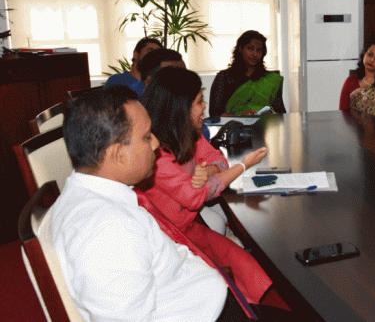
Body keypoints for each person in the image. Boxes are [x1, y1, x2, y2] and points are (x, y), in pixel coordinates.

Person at [51, 86, 290, 321]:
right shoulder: (108, 231)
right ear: (118, 155)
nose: (156, 144)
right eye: (146, 137)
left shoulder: (92, 196)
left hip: (205, 301)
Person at [139, 66, 279, 307]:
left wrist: (209, 172)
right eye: (198, 102)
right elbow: (195, 196)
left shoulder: (189, 134)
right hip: (170, 237)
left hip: (189, 226)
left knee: (244, 263)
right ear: (180, 108)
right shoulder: (155, 154)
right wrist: (243, 166)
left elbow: (219, 159)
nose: (204, 107)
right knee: (233, 274)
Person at [209, 30, 286, 117]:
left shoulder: (271, 80)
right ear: (240, 49)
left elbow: (280, 112)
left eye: (259, 50)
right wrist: (240, 117)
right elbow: (215, 113)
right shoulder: (224, 77)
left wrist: (271, 114)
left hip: (263, 124)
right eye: (250, 48)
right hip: (233, 125)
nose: (255, 54)